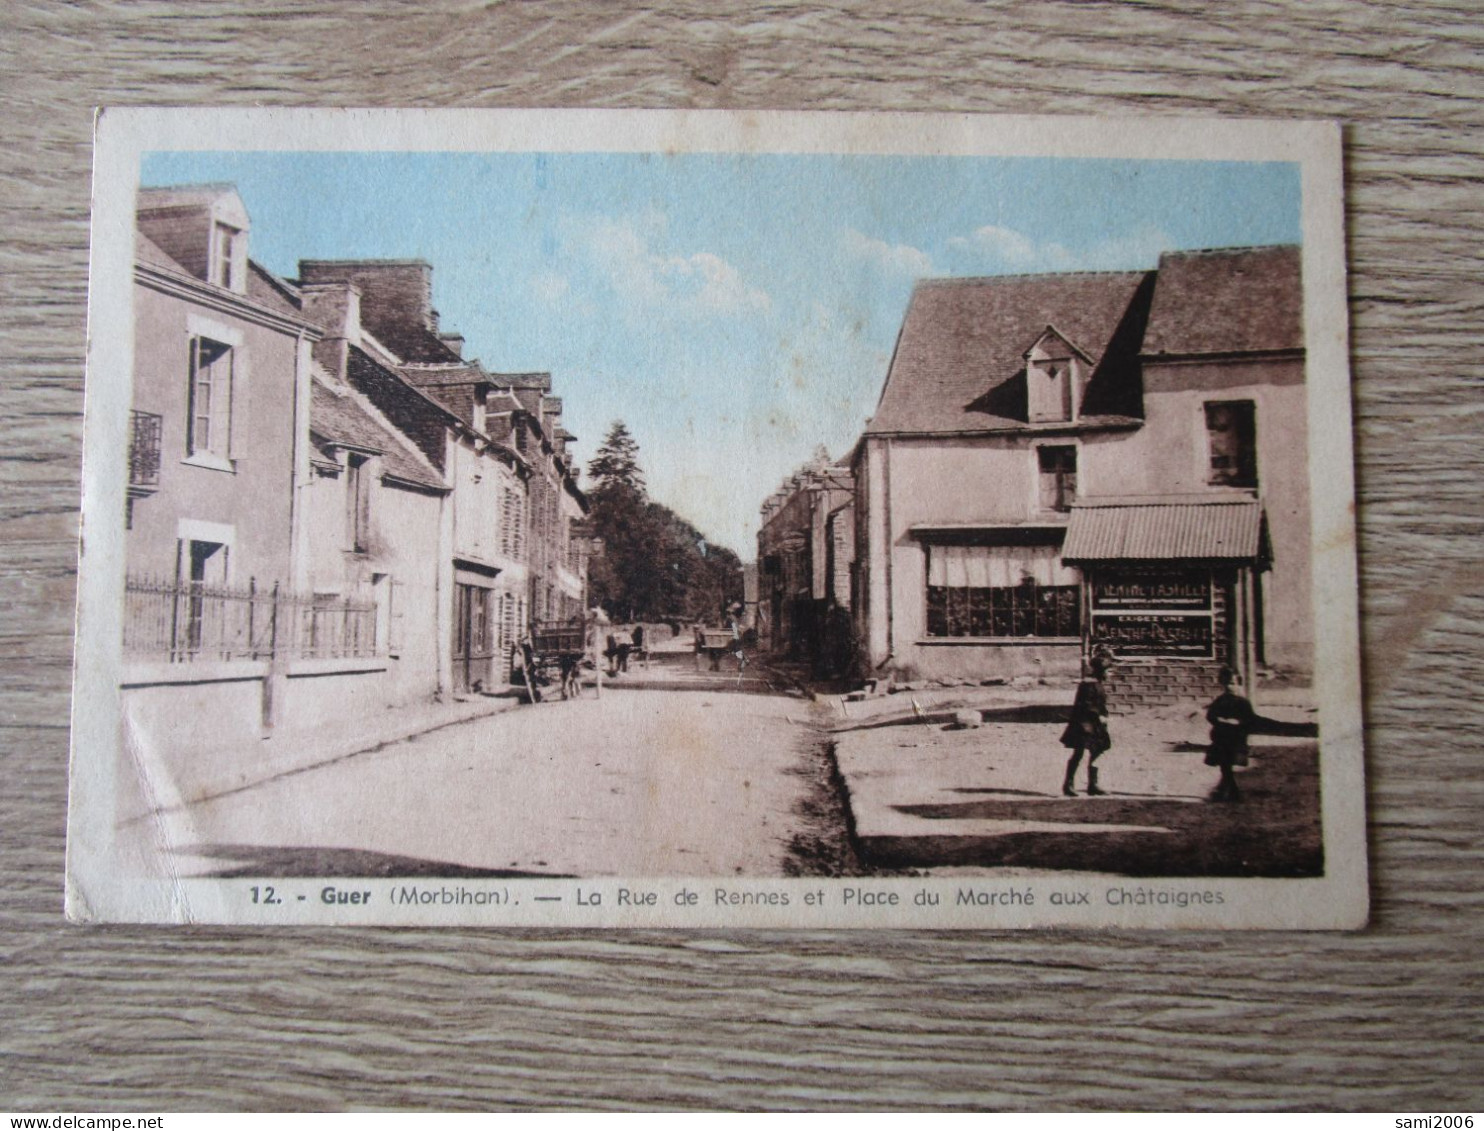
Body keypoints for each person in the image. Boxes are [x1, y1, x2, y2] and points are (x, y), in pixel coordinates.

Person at [1060, 649, 1112, 796]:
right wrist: (1098, 716)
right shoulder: (1089, 684)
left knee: (1097, 750)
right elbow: (1087, 705)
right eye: (1108, 671)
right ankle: (1068, 785)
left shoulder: (1098, 684)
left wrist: (1104, 716)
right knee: (1079, 753)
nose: (1110, 674)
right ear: (1101, 671)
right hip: (1083, 724)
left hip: (1094, 723)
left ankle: (1093, 784)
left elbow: (1100, 704)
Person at [1205, 666, 1257, 802]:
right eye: (1226, 683)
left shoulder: (1242, 702)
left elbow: (1250, 719)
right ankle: (1229, 791)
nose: (1229, 687)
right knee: (1224, 766)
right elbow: (1210, 715)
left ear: (1238, 683)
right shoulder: (1220, 700)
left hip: (1236, 738)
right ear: (1222, 683)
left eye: (1232, 683)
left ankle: (1229, 791)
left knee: (1227, 766)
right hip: (1221, 738)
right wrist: (1218, 720)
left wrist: (1238, 722)